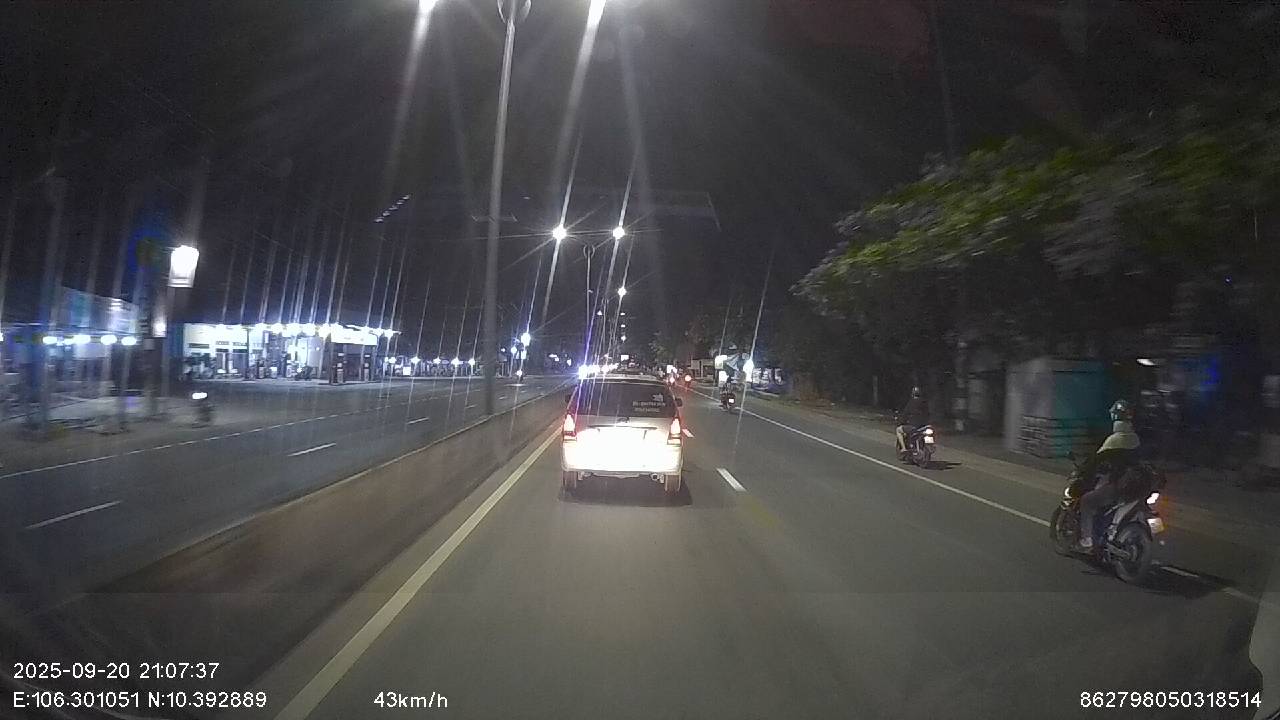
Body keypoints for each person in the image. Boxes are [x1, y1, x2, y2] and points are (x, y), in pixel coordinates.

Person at [1076, 399, 1142, 549]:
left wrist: (1083, 471)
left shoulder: (1114, 440)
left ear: (1115, 417)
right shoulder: (1135, 438)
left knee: (1086, 501)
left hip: (1119, 483)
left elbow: (1095, 460)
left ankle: (1087, 539)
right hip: (1134, 485)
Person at [896, 387, 928, 459]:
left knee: (898, 430)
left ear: (912, 394)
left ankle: (904, 448)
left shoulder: (911, 403)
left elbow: (905, 414)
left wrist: (900, 422)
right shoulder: (924, 402)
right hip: (924, 426)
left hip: (914, 426)